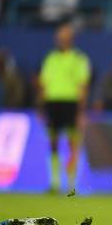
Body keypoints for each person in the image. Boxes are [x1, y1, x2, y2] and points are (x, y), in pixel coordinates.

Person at [39, 24, 91, 192]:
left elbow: (83, 86)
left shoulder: (79, 59)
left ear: (71, 39)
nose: (61, 39)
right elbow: (44, 84)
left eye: (64, 37)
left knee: (72, 143)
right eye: (59, 36)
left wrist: (81, 111)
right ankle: (54, 183)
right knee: (53, 142)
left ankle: (71, 184)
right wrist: (41, 106)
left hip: (71, 103)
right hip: (52, 103)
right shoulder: (51, 58)